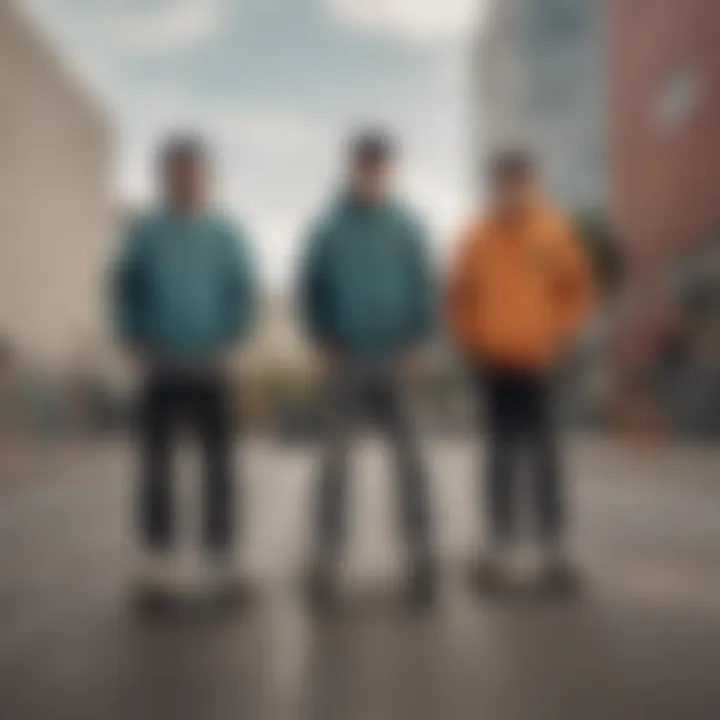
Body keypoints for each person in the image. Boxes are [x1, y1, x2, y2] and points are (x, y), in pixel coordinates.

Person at [112, 135, 258, 601]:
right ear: (164, 178)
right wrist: (132, 337)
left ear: (207, 178)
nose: (187, 180)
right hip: (160, 363)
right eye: (177, 172)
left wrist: (231, 338)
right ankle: (159, 558)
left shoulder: (226, 234)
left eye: (195, 172)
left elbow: (244, 291)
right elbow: (123, 287)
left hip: (212, 365)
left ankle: (221, 557)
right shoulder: (145, 233)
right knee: (157, 465)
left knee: (219, 466)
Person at [298, 129, 437, 608]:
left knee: (412, 464)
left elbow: (424, 286)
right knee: (335, 466)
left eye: (380, 166)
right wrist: (320, 340)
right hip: (346, 361)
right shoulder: (329, 228)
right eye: (364, 164)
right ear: (351, 167)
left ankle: (420, 555)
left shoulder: (408, 228)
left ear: (390, 171)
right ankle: (326, 558)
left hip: (397, 360)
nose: (371, 173)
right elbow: (309, 287)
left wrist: (420, 342)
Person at [447, 149, 594, 593]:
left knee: (545, 456)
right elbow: (458, 297)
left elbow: (578, 289)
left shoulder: (554, 230)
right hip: (494, 365)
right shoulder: (476, 237)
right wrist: (473, 340)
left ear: (533, 184)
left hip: (540, 362)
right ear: (495, 187)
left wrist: (560, 332)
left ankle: (554, 547)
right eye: (505, 183)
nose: (513, 191)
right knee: (500, 458)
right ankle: (499, 547)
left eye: (521, 182)